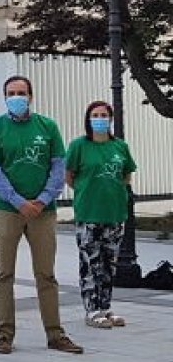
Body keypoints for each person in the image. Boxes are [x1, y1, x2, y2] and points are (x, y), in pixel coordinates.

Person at [0, 75, 81, 355]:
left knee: (46, 274)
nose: (17, 97)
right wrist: (16, 200)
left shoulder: (47, 127)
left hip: (42, 210)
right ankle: (4, 335)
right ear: (4, 97)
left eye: (21, 92)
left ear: (31, 96)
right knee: (3, 274)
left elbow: (58, 167)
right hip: (6, 210)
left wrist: (42, 199)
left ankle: (55, 334)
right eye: (11, 93)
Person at [66, 101, 135, 329]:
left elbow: (126, 175)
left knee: (108, 264)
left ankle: (106, 307)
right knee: (90, 263)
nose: (100, 118)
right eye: (95, 115)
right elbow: (70, 175)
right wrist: (87, 190)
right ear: (88, 119)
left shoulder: (120, 147)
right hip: (88, 213)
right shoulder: (79, 146)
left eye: (104, 115)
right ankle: (91, 309)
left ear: (111, 118)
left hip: (114, 214)